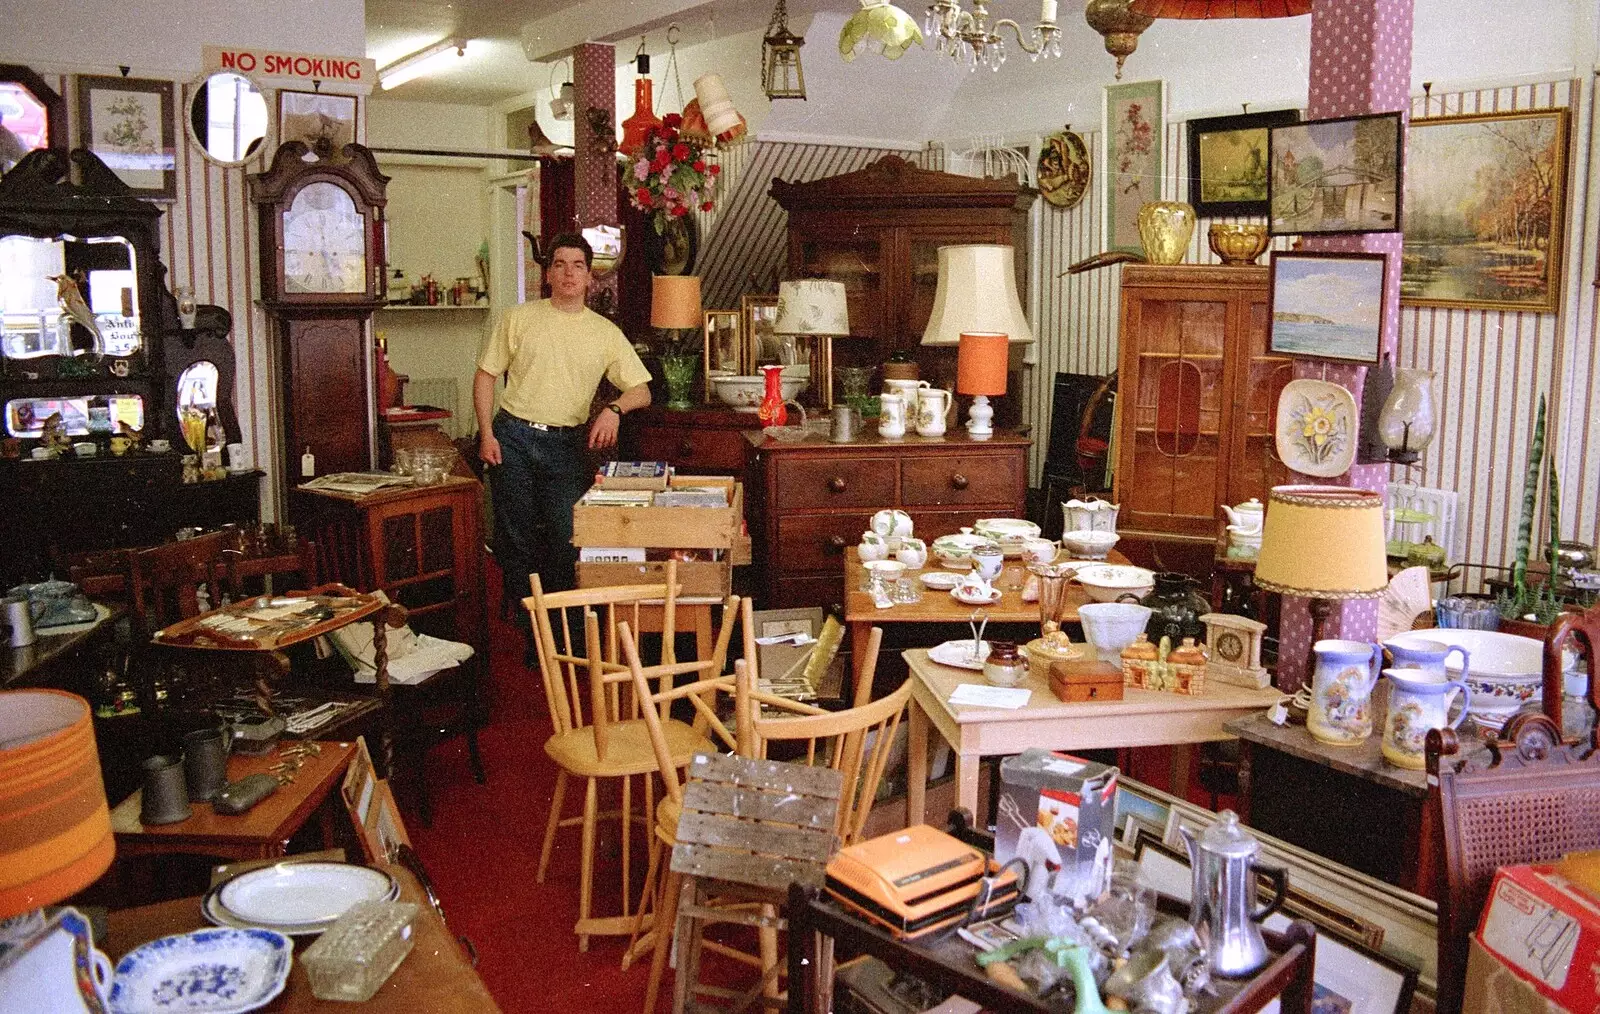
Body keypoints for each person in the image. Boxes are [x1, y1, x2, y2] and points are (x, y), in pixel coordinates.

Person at [473, 233, 652, 618]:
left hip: (567, 445)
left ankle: (560, 625)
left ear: (590, 278)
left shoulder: (605, 333)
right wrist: (487, 433)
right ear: (548, 275)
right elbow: (486, 375)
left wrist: (613, 410)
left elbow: (642, 390)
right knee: (515, 538)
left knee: (564, 538)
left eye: (578, 266)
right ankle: (526, 625)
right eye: (559, 264)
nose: (568, 273)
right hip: (513, 438)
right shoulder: (518, 319)